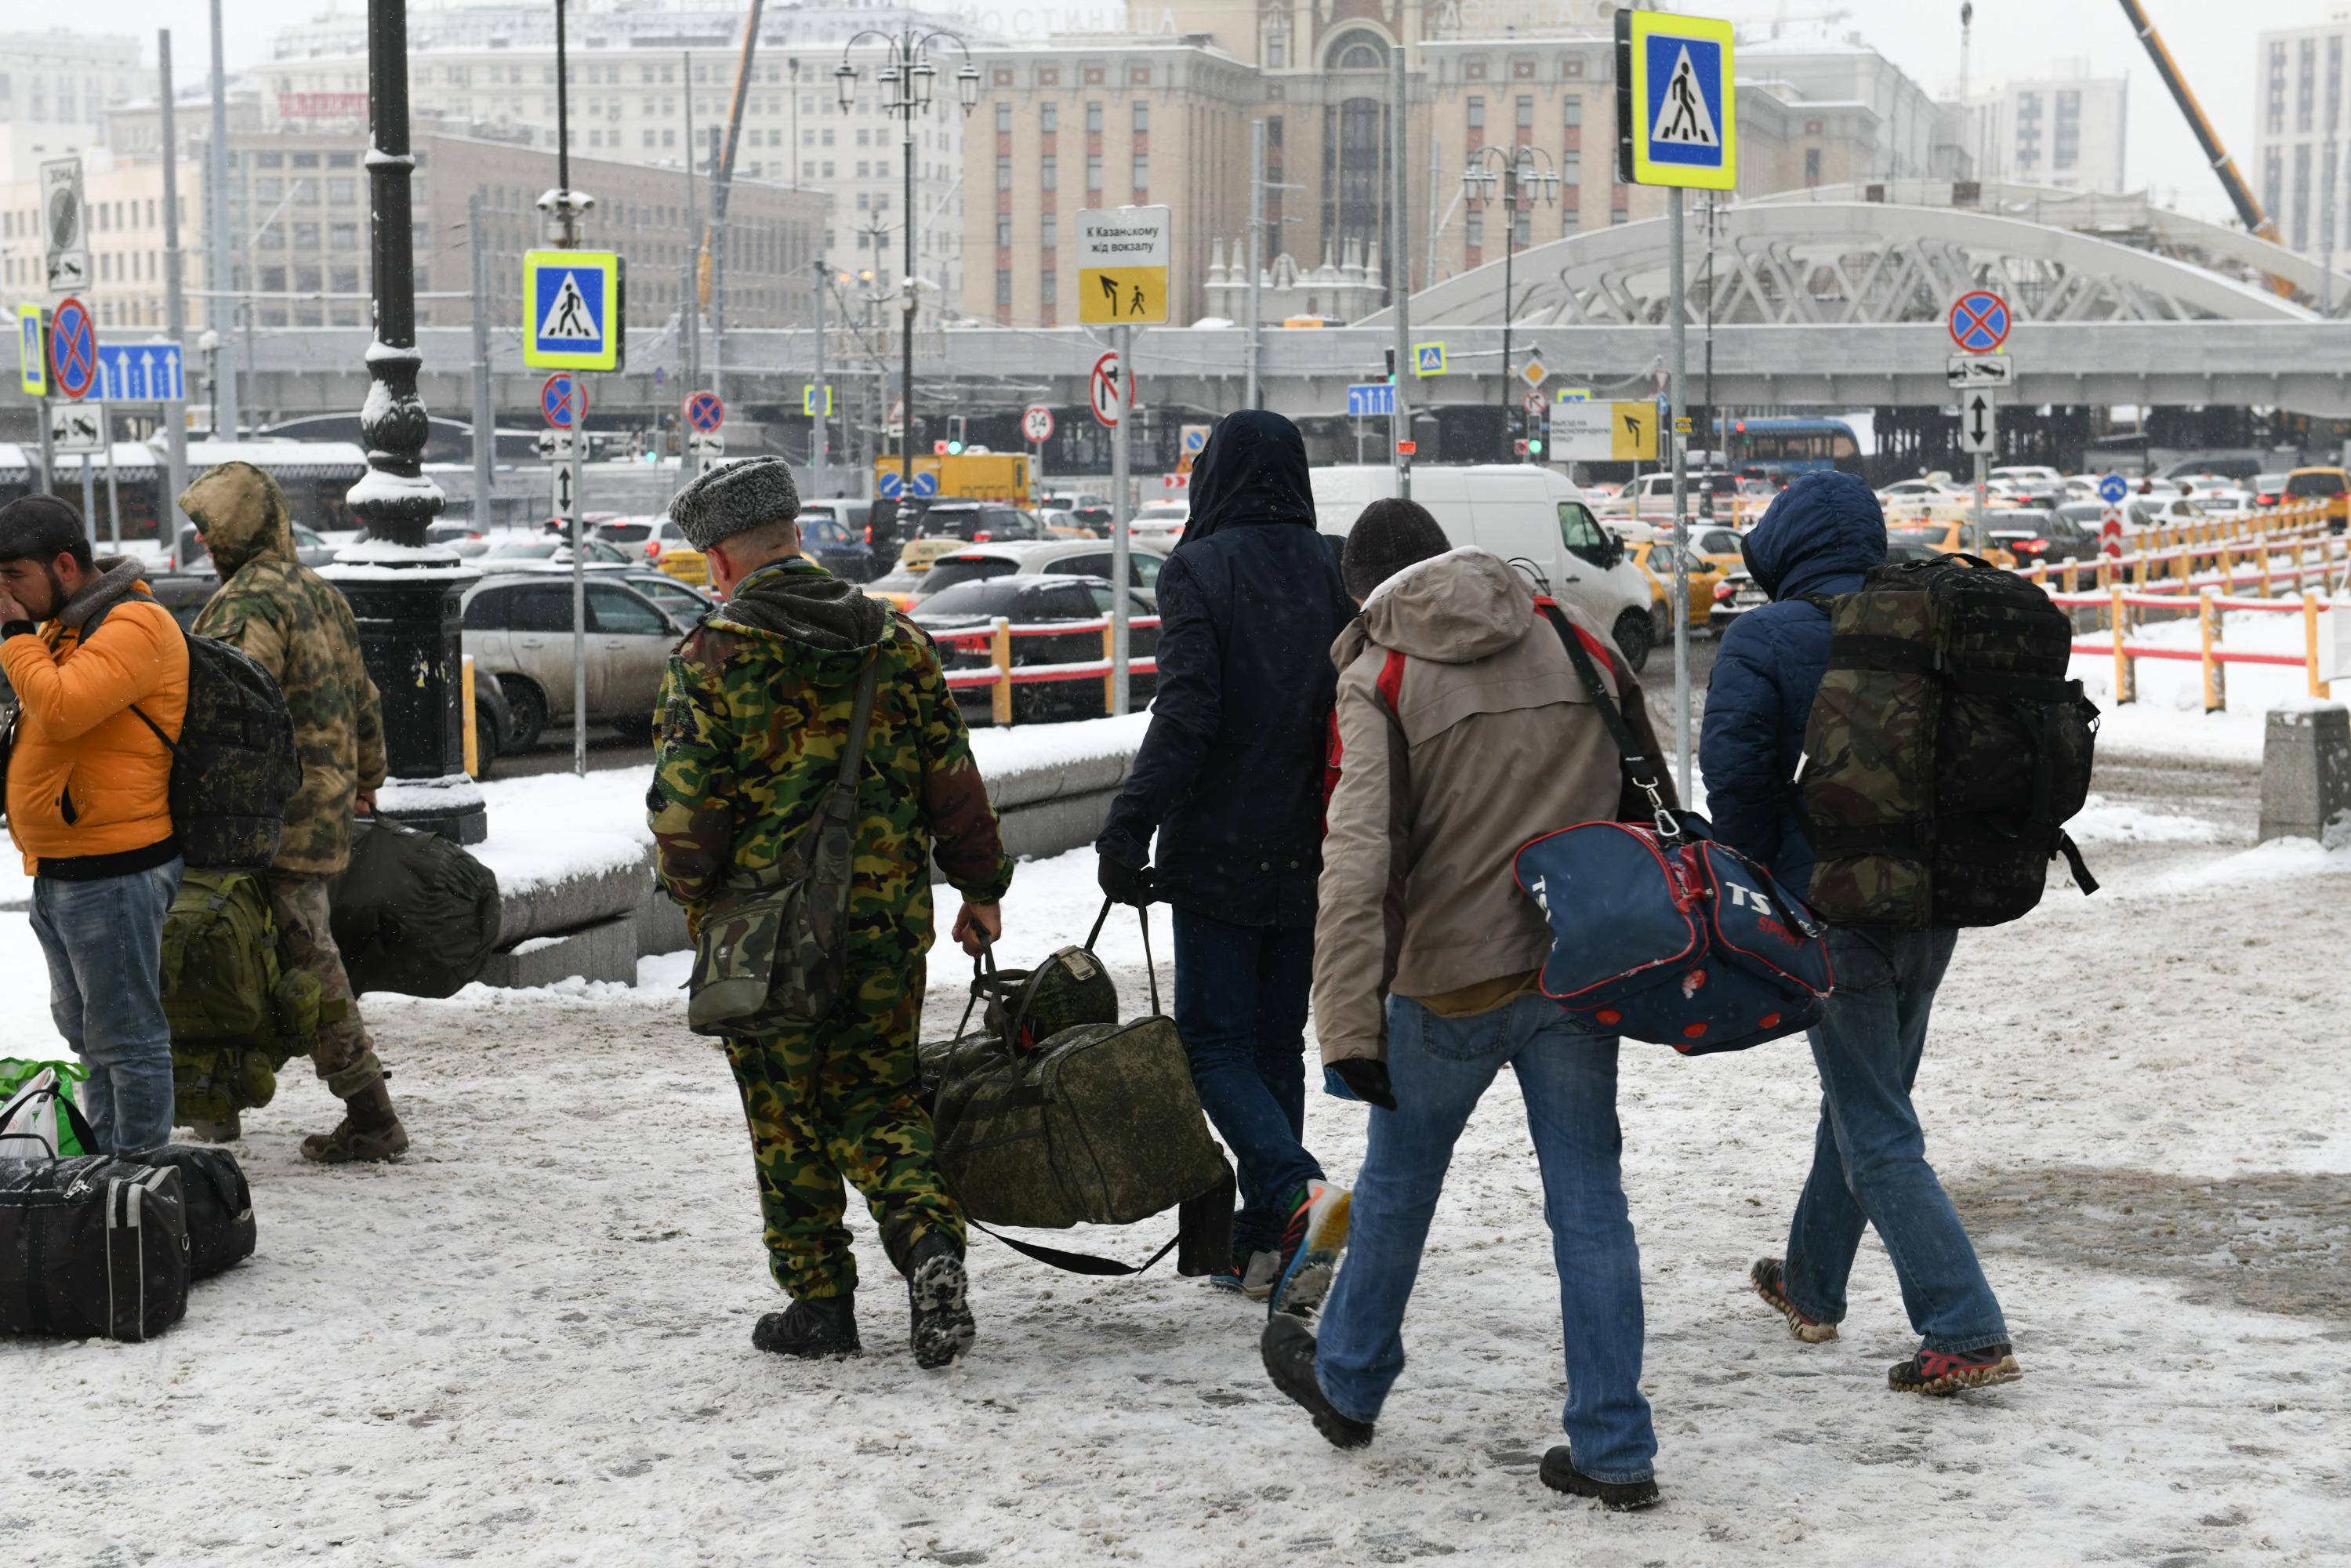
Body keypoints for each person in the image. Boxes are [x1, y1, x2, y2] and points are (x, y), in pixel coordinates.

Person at [1260, 503, 1671, 1511]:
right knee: (1589, 1203)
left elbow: (1356, 859)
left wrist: (1346, 1022)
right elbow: (1648, 790)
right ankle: (1613, 1445)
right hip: (1575, 967)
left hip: (1442, 981)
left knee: (1398, 1188)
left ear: (1365, 590)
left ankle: (1349, 1384)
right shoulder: (1574, 636)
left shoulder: (1380, 675)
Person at [648, 457, 1013, 1370]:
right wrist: (980, 889)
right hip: (886, 924)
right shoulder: (894, 641)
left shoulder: (712, 658)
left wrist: (696, 901)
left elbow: (687, 829)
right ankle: (929, 1243)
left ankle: (819, 1302)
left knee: (783, 1111)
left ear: (723, 558)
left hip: (764, 935)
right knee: (877, 1094)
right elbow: (955, 783)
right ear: (793, 537)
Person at [1700, 470, 2020, 1396]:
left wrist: (1754, 887)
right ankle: (1809, 1282)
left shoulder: (1767, 634)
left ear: (1786, 546)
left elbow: (1739, 782)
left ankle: (1963, 1324)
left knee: (1877, 1125)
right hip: (1939, 905)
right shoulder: (1927, 623)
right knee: (1864, 1098)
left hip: (1834, 911)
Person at [1094, 409, 1355, 1313]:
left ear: (1214, 479)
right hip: (1313, 843)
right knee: (1275, 1042)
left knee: (1211, 1045)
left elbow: (1187, 713)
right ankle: (1257, 1247)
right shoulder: (1334, 565)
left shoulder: (1198, 567)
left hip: (1217, 849)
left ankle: (1295, 1191)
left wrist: (1129, 824)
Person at [182, 461, 401, 1163]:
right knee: (271, 957)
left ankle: (371, 1116)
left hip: (265, 821)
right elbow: (363, 697)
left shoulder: (246, 602)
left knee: (277, 961)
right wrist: (368, 779)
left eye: (207, 530)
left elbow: (232, 706)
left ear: (233, 532)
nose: (203, 545)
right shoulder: (321, 592)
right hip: (324, 811)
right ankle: (221, 1106)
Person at [0, 496, 189, 1159]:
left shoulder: (135, 624)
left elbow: (59, 708)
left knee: (128, 1038)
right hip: (64, 870)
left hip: (117, 868)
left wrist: (15, 638)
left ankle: (138, 1180)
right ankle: (106, 1169)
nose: (6, 595)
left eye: (12, 577)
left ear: (64, 565)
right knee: (88, 1035)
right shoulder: (64, 625)